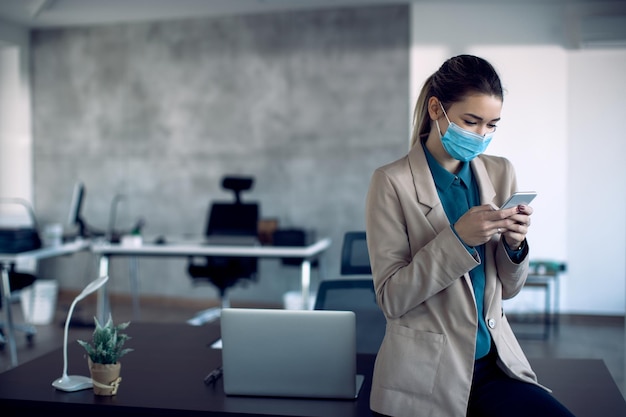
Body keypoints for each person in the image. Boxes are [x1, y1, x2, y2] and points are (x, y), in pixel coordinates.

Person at [365, 55, 575, 417]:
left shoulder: (500, 171)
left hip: (493, 366)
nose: (482, 136)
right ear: (436, 108)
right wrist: (458, 239)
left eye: (492, 124)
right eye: (471, 121)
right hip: (423, 377)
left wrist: (515, 246)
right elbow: (392, 299)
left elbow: (508, 290)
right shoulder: (390, 183)